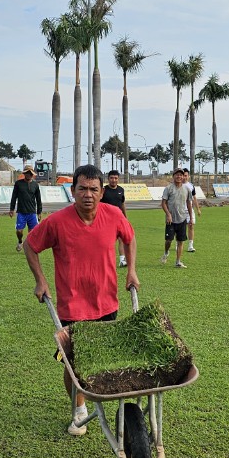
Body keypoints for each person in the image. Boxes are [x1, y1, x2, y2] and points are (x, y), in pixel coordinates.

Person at [25, 163, 139, 436]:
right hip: (72, 305)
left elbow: (130, 238)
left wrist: (132, 270)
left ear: (102, 192)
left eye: (94, 189)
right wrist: (40, 280)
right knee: (73, 363)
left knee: (100, 358)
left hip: (107, 302)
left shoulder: (113, 215)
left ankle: (100, 398)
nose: (88, 194)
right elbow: (31, 245)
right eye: (82, 188)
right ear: (72, 191)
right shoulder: (57, 222)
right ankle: (78, 409)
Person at [9, 165, 45, 252]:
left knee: (32, 232)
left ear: (32, 174)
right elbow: (14, 197)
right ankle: (20, 241)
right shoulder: (18, 184)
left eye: (30, 173)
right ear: (24, 174)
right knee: (19, 231)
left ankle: (29, 246)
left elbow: (38, 199)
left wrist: (39, 212)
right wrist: (11, 209)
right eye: (27, 173)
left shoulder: (35, 185)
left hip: (32, 212)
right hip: (21, 212)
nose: (28, 175)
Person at [160, 168, 191, 268]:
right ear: (173, 176)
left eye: (181, 175)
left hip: (182, 218)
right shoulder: (168, 188)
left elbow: (188, 203)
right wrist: (168, 214)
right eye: (177, 175)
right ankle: (166, 252)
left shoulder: (187, 189)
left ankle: (178, 261)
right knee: (169, 240)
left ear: (183, 177)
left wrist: (190, 217)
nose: (179, 177)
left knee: (180, 241)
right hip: (171, 220)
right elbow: (163, 203)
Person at [100, 169, 128, 266]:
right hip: (105, 220)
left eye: (116, 178)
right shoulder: (103, 190)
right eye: (111, 178)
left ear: (118, 179)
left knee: (121, 239)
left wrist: (125, 217)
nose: (113, 180)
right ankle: (105, 260)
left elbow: (122, 203)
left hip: (119, 219)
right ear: (108, 179)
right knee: (107, 241)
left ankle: (122, 260)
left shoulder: (121, 190)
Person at [184, 174, 199, 252]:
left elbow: (194, 198)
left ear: (188, 176)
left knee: (191, 226)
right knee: (180, 228)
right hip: (180, 211)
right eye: (183, 175)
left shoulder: (191, 186)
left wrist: (198, 209)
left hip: (189, 210)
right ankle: (178, 243)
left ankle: (190, 245)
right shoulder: (177, 185)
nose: (184, 177)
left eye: (186, 175)